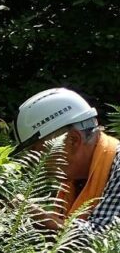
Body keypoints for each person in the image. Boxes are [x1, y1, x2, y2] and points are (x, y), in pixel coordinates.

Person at [14, 87, 120, 232]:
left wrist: (37, 217)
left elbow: (104, 238)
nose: (35, 163)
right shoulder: (74, 180)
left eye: (38, 153)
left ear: (73, 141)